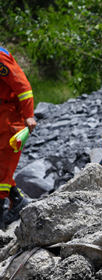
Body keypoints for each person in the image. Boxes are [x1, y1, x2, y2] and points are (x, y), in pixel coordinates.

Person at [0, 46, 36, 229]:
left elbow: (23, 86)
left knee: (2, 172)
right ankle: (17, 201)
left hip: (10, 120)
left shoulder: (0, 57)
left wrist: (29, 115)